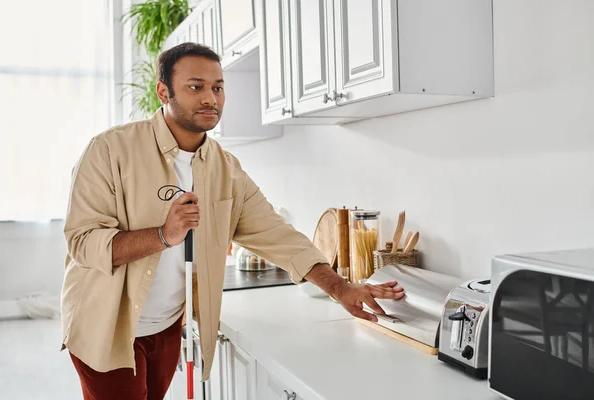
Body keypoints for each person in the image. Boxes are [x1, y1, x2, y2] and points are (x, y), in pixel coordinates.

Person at [60, 42, 405, 400]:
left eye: (217, 87)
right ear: (163, 91)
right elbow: (83, 244)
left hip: (164, 328)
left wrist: (340, 288)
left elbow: (277, 234)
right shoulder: (108, 151)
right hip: (106, 327)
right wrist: (164, 234)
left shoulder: (225, 170)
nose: (210, 97)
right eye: (195, 87)